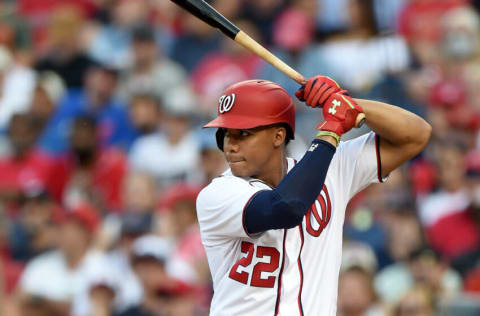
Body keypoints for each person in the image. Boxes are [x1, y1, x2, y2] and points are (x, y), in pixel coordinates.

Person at [196, 76, 431, 315]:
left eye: (243, 134)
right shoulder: (217, 194)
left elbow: (416, 134)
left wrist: (347, 102)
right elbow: (285, 207)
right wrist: (332, 128)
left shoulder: (332, 167)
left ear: (278, 136)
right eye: (226, 134)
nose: (230, 146)